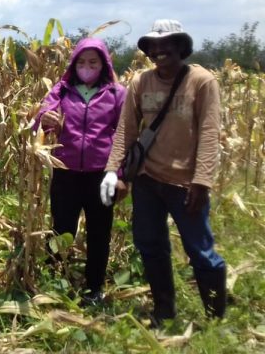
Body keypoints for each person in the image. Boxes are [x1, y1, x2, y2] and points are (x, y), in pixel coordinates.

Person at [100, 19, 226, 325]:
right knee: (150, 245)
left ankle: (215, 318)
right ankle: (163, 311)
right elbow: (126, 131)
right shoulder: (141, 83)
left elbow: (210, 134)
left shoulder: (202, 81)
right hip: (147, 181)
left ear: (181, 46)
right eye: (153, 47)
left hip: (185, 184)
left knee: (200, 250)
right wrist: (112, 171)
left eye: (166, 45)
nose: (158, 52)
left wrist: (202, 181)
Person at [34, 38, 126, 305]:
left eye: (93, 63)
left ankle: (94, 287)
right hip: (66, 172)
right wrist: (45, 119)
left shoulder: (117, 94)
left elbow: (124, 134)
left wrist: (119, 175)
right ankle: (55, 281)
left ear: (104, 65)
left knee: (99, 232)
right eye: (82, 62)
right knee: (61, 229)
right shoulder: (61, 91)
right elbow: (39, 119)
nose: (87, 67)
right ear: (74, 64)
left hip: (101, 174)